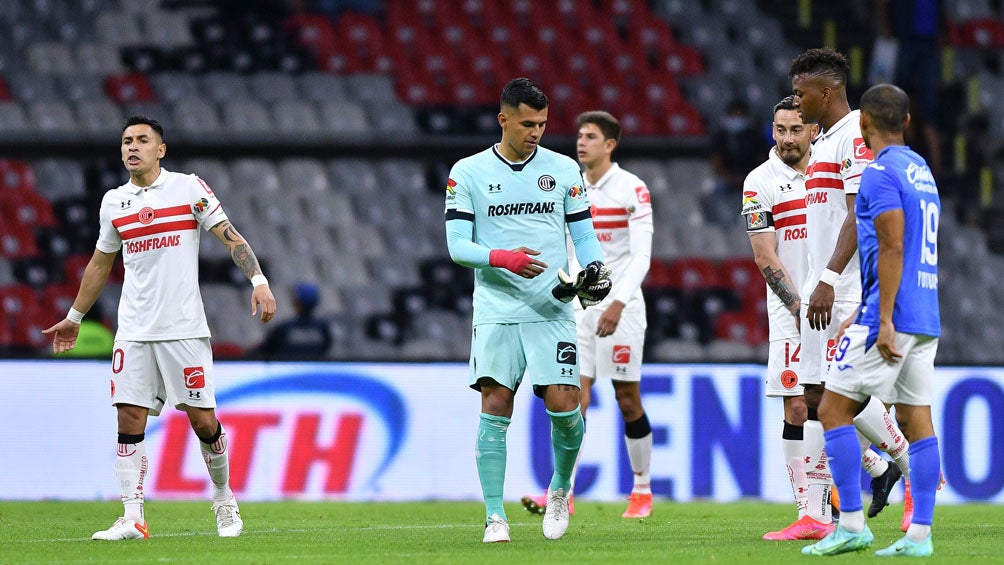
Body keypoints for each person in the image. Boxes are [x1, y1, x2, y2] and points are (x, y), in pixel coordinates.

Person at [42, 115, 277, 540]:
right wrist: (74, 317)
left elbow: (230, 236)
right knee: (129, 416)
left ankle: (224, 500)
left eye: (142, 140)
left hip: (183, 328)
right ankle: (132, 517)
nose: (132, 147)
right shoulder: (114, 202)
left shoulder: (188, 187)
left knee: (203, 421)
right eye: (126, 141)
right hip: (133, 329)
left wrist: (258, 282)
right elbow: (100, 263)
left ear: (160, 149)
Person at [444, 78, 611, 543]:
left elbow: (582, 233)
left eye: (541, 123)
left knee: (566, 404)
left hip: (551, 307)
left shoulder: (562, 170)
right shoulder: (468, 172)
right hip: (496, 307)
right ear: (503, 120)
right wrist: (502, 258)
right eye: (526, 124)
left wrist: (594, 266)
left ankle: (559, 488)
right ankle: (495, 516)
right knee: (496, 404)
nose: (536, 132)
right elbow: (456, 245)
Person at [801, 83, 941, 557]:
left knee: (831, 408)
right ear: (906, 122)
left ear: (863, 124)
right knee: (916, 420)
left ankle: (852, 525)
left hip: (892, 314)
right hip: (926, 314)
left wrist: (879, 319)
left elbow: (892, 245)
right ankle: (919, 535)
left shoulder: (878, 173)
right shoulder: (921, 170)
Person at [789, 48, 913, 531]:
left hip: (843, 289)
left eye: (801, 95)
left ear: (826, 92)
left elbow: (859, 213)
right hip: (823, 287)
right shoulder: (823, 141)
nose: (796, 105)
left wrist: (827, 279)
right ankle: (880, 471)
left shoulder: (853, 139)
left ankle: (908, 465)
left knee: (836, 394)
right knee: (820, 394)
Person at [522, 110, 655, 519]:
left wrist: (617, 301)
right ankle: (563, 491)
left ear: (610, 144)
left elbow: (641, 256)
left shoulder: (632, 188)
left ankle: (642, 489)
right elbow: (566, 250)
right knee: (572, 398)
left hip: (623, 307)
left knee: (626, 398)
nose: (581, 142)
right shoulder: (569, 187)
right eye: (579, 136)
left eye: (591, 136)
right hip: (578, 309)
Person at [742, 96, 819, 539]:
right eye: (780, 130)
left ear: (812, 130)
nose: (787, 139)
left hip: (838, 304)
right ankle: (810, 512)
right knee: (796, 404)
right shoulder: (759, 181)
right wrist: (798, 308)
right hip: (791, 311)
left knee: (843, 402)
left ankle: (890, 465)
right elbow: (764, 253)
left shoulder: (830, 168)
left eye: (795, 129)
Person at [256, 282, 332, 359]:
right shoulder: (322, 329)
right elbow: (326, 349)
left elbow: (266, 350)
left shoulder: (284, 329)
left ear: (297, 303)